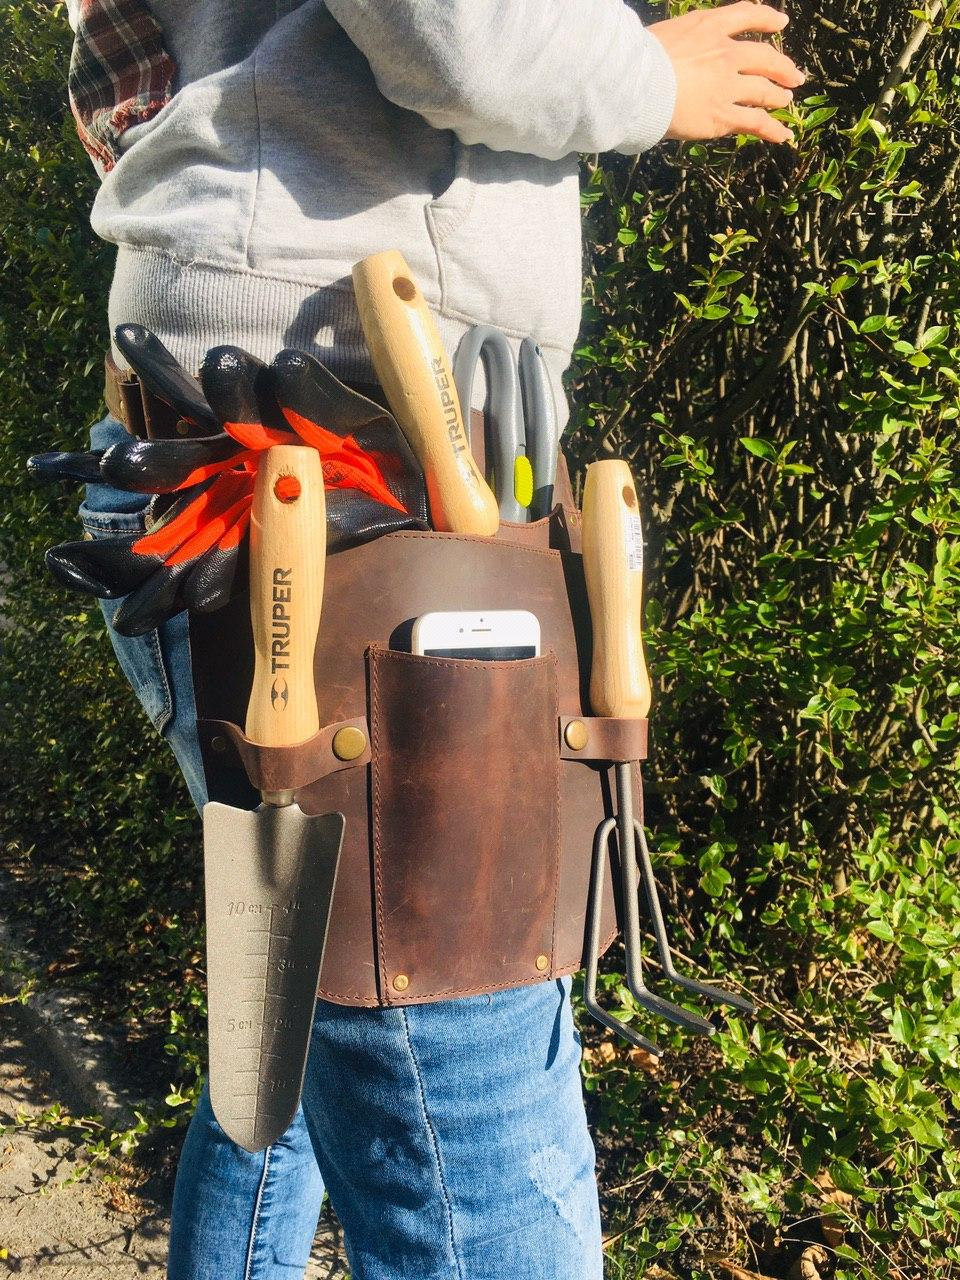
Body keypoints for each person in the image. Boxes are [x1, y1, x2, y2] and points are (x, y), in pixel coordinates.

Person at [65, 2, 804, 1276]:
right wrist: (640, 74)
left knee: (297, 1000)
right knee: (472, 1129)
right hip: (334, 492)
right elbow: (449, 27)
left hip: (244, 465)